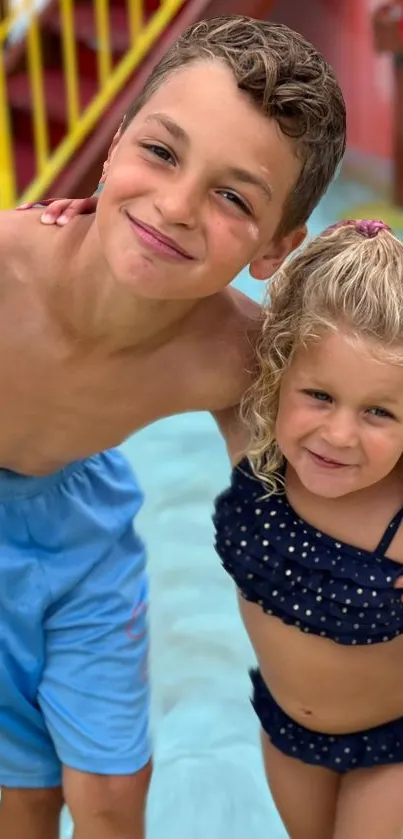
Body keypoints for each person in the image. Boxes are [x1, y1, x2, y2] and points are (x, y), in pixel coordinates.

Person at [1, 15, 346, 839]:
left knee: (114, 801)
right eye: (159, 152)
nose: (175, 205)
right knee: (20, 799)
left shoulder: (233, 352)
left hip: (84, 531)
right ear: (114, 145)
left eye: (233, 197)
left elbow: (288, 519)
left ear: (276, 247)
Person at [214, 219, 403, 839]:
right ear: (276, 370)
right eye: (319, 395)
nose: (339, 435)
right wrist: (75, 219)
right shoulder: (254, 441)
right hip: (288, 733)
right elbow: (163, 315)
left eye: (380, 411)